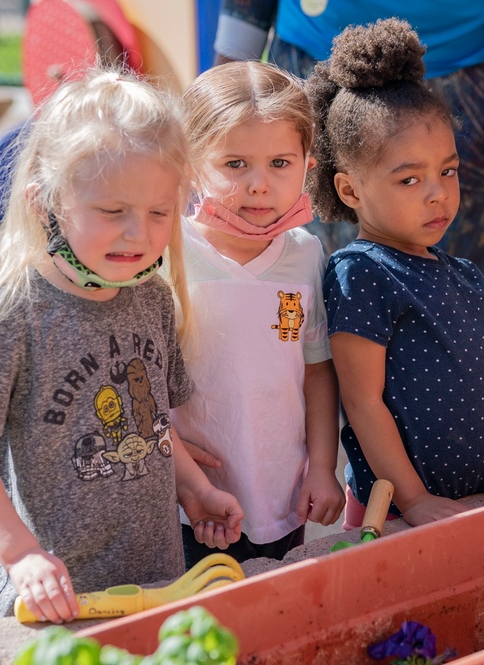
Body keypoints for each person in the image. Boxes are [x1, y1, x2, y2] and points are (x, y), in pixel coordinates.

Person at [0, 69, 243, 623]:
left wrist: (193, 489)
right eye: (112, 211)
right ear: (46, 202)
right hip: (56, 597)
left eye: (158, 213)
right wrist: (21, 557)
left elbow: (153, 426)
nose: (137, 234)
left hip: (156, 580)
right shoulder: (12, 314)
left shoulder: (151, 298)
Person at [309, 19, 484, 528]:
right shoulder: (361, 273)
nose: (437, 192)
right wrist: (415, 500)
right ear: (351, 191)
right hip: (397, 515)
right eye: (409, 179)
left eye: (448, 170)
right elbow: (362, 401)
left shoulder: (463, 274)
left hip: (477, 497)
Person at [212, 0, 484, 286]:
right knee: (325, 276)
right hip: (319, 68)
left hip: (473, 72)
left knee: (454, 275)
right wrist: (221, 113)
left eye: (448, 172)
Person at [171, 61, 344, 564]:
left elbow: (316, 369)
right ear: (190, 164)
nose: (259, 185)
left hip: (281, 492)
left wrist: (321, 468)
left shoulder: (306, 254)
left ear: (308, 165)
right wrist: (173, 458)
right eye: (234, 164)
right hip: (189, 497)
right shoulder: (170, 251)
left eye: (280, 163)